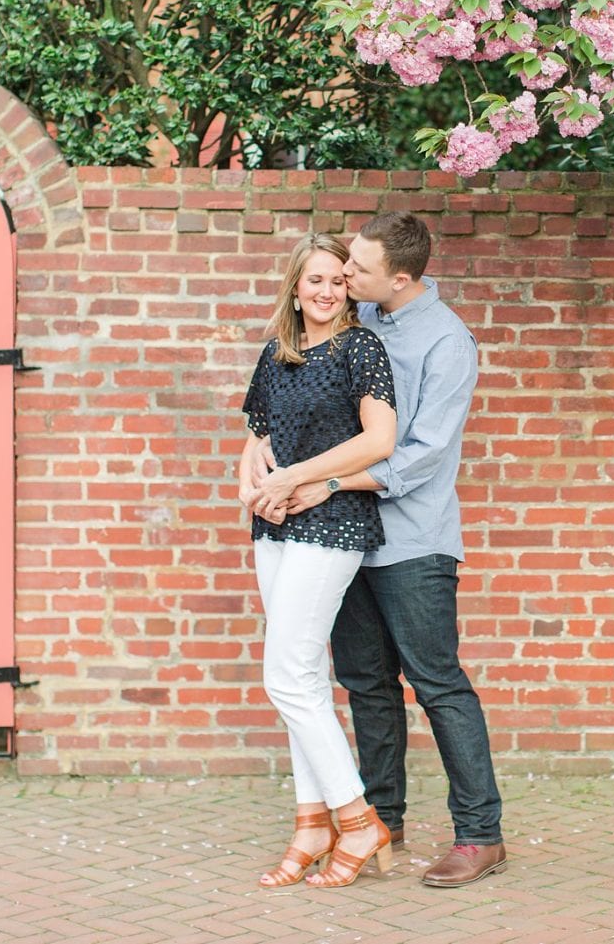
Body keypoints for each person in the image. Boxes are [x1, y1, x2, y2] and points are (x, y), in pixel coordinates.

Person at [253, 211, 507, 888]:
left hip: (413, 540)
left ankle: (480, 832)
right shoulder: (360, 326)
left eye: (358, 270)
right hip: (341, 540)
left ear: (400, 277)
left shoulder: (447, 342)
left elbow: (420, 455)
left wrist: (324, 479)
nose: (346, 276)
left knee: (438, 683)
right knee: (364, 683)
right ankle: (378, 818)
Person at [238, 233, 399, 891]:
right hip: (274, 528)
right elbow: (252, 446)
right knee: (300, 675)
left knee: (285, 676)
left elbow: (380, 440)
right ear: (296, 289)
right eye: (315, 281)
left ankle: (357, 818)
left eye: (338, 279)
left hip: (333, 524)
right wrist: (257, 489)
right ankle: (312, 823)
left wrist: (298, 475)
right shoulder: (275, 356)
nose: (327, 290)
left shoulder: (362, 348)